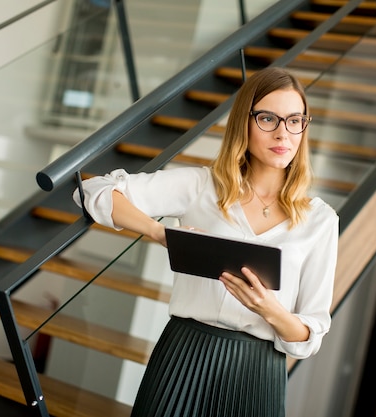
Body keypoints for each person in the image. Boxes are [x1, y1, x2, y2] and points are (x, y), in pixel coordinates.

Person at [73, 66, 338, 417]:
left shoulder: (319, 220)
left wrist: (268, 310)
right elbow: (93, 191)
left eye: (294, 120)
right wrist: (161, 233)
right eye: (268, 119)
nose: (282, 133)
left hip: (257, 371)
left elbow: (310, 334)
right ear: (244, 121)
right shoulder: (202, 186)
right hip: (184, 355)